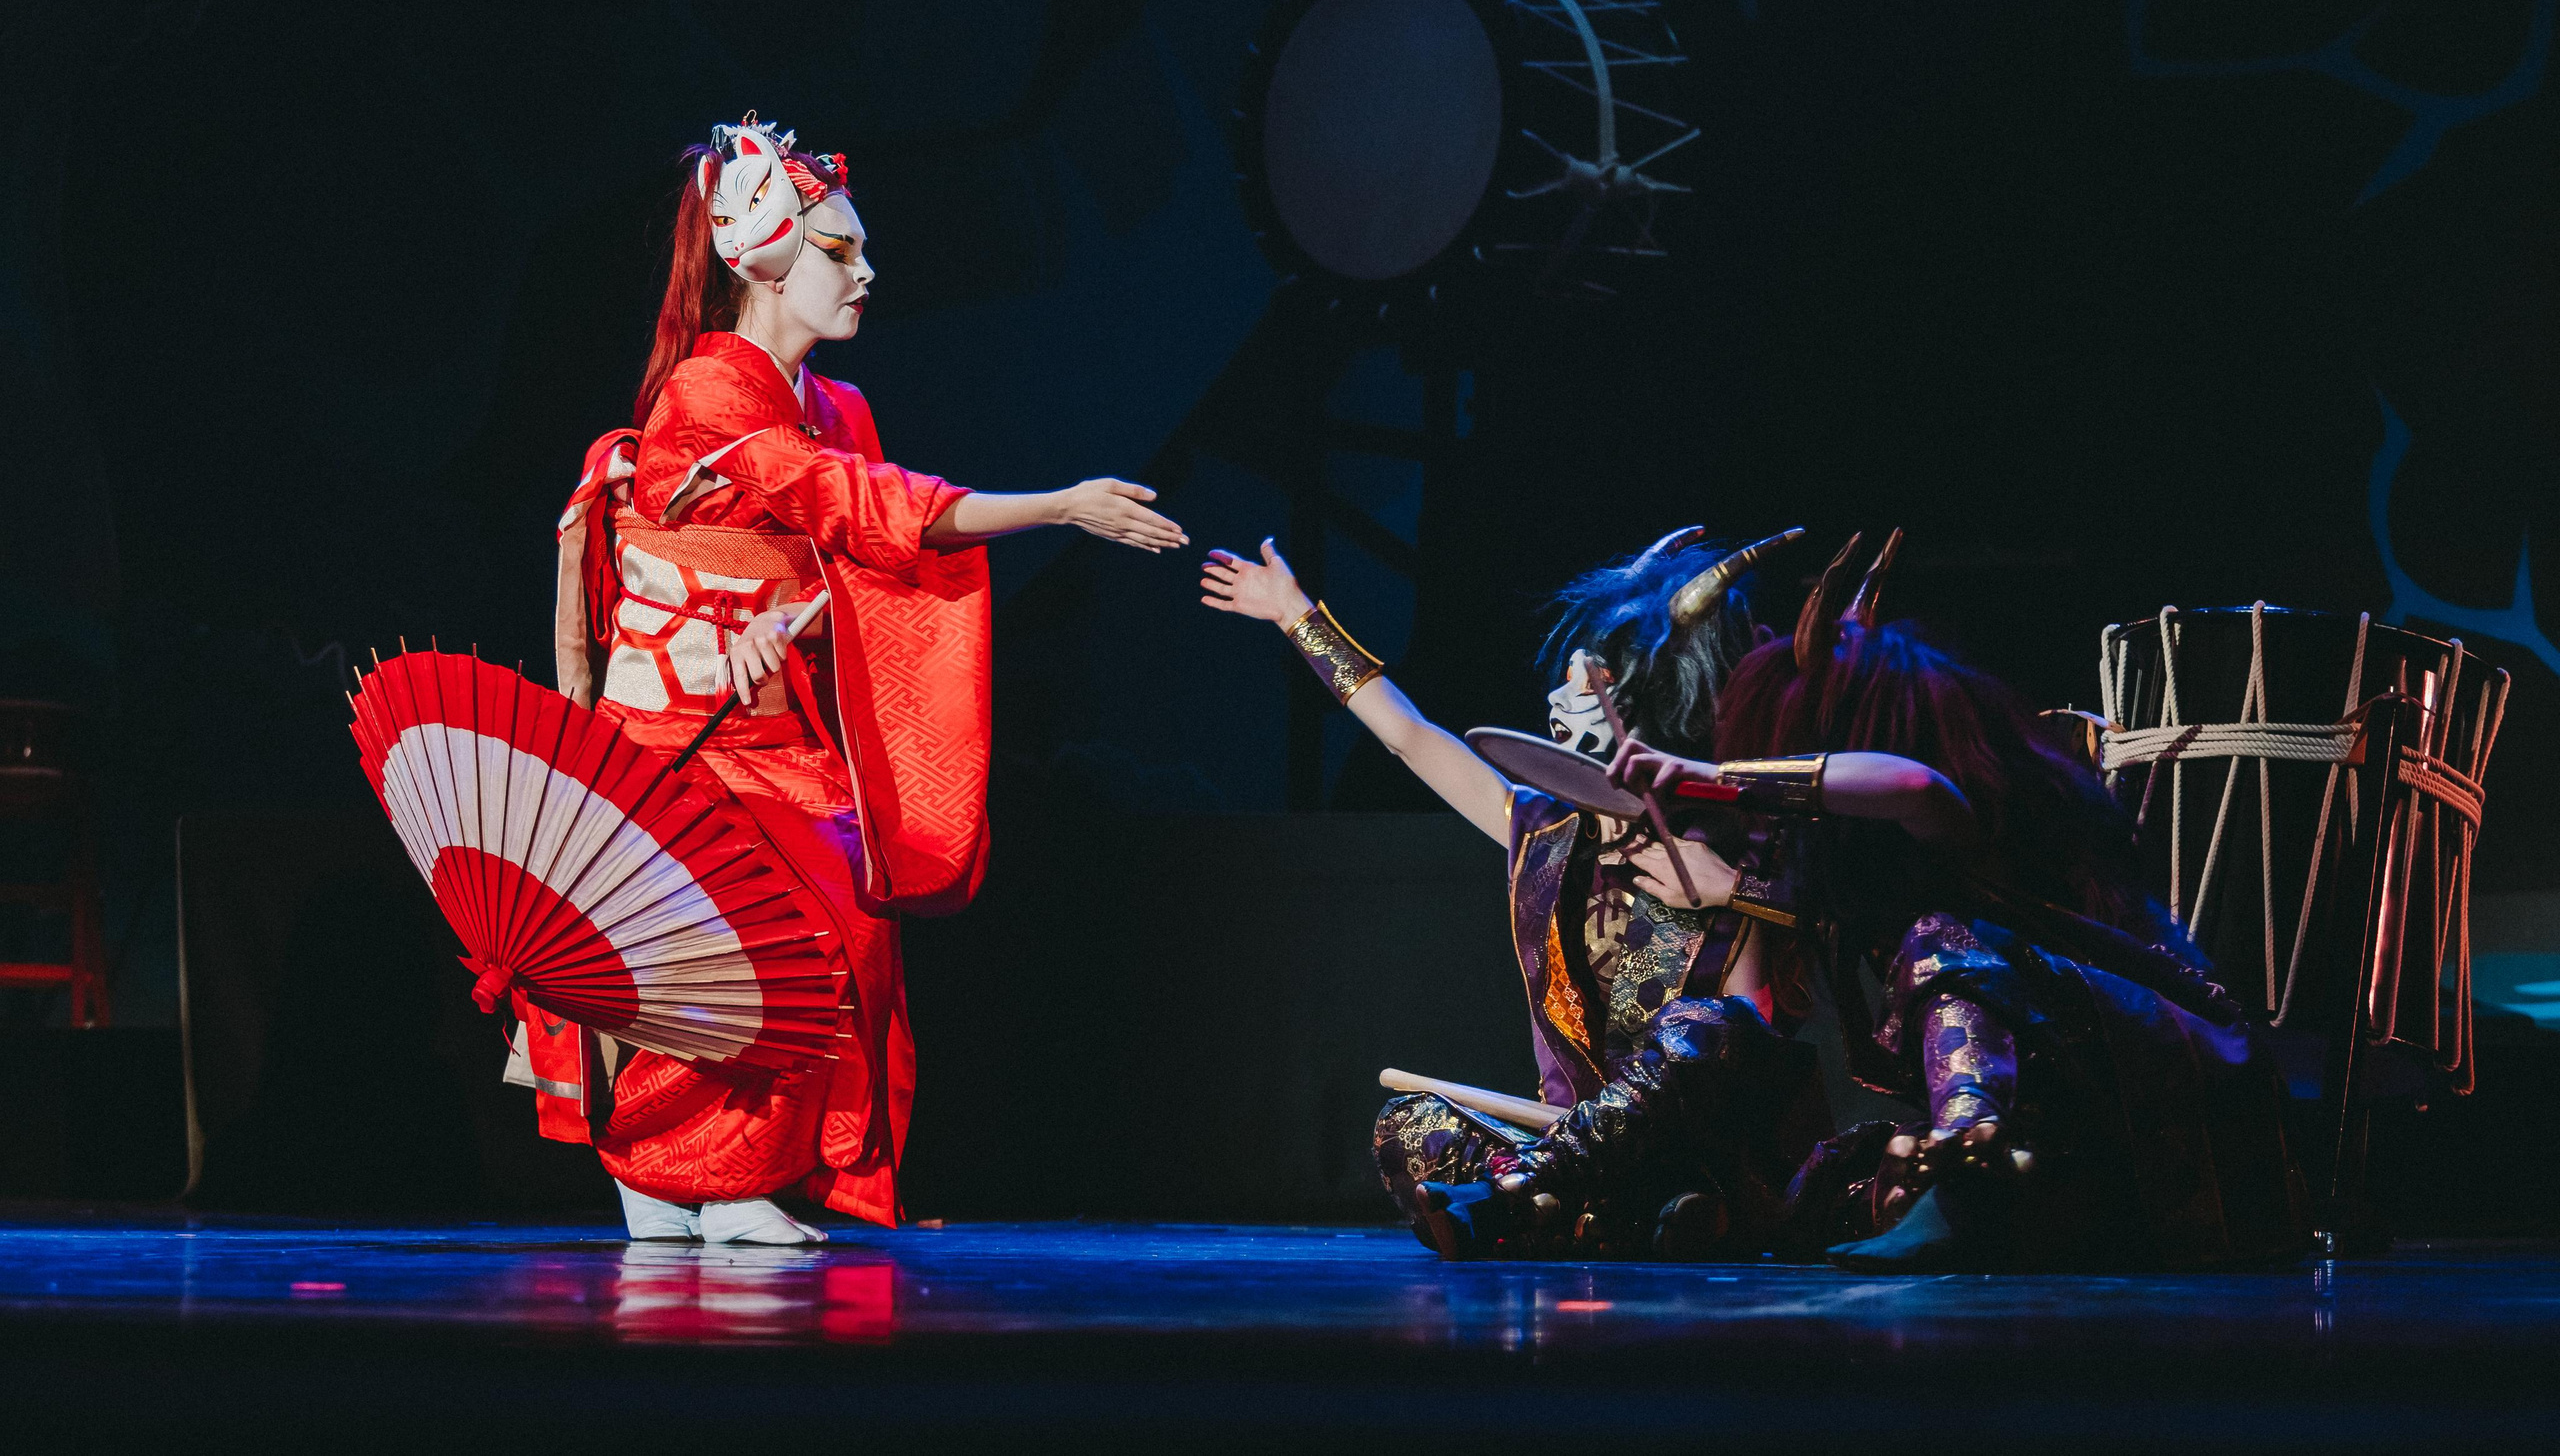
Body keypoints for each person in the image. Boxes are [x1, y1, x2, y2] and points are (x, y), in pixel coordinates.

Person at [532, 114, 1185, 1244]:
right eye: (839, 250)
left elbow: (859, 559)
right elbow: (865, 508)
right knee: (721, 939)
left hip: (770, 710)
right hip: (677, 722)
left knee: (848, 928)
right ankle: (663, 1164)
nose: (866, 270)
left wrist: (787, 620)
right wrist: (1056, 506)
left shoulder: (836, 408)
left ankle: (744, 1169)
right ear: (760, 256)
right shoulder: (704, 393)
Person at [1414, 533, 2308, 1271]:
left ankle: (1968, 1151)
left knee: (1938, 942)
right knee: (1830, 1183)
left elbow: (1915, 787)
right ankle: (1944, 1175)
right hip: (2071, 1153)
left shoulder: (1961, 830)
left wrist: (1717, 781)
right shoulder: (1841, 876)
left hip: (2164, 1096)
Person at [1202, 524, 1833, 1257]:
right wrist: (1298, 618)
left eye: (1587, 680)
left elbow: (1743, 1037)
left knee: (1707, 1028)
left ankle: (1561, 1203)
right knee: (1408, 1128)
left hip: (1708, 1149)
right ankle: (1600, 1210)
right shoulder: (1540, 831)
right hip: (1568, 1142)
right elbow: (1408, 736)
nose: (1564, 693)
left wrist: (1735, 892)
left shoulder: (1734, 851)